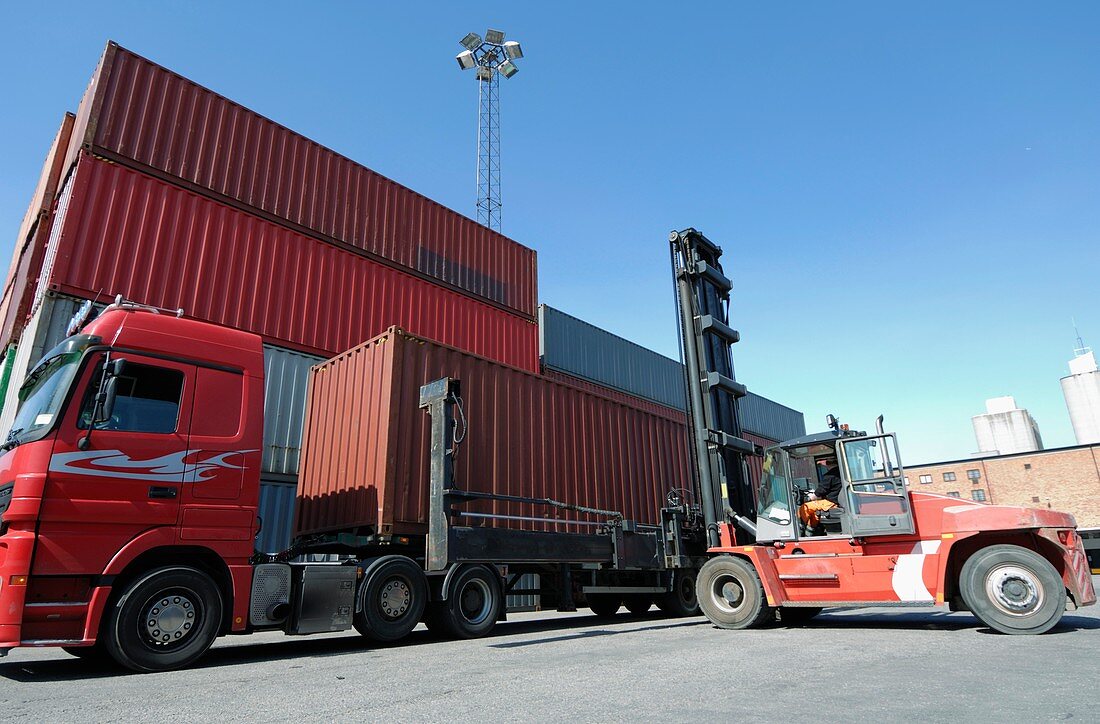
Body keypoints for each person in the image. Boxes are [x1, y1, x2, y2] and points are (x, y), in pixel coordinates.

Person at [798, 457, 842, 533]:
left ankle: (800, 530)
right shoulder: (840, 473)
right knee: (814, 513)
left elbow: (820, 491)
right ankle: (812, 530)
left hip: (831, 502)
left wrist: (808, 498)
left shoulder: (830, 475)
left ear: (828, 465)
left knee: (805, 507)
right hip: (836, 500)